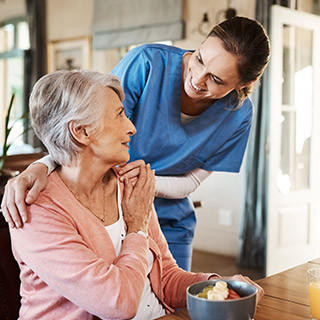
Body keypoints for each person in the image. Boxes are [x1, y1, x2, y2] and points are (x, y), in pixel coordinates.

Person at [2, 17, 270, 271]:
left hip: (168, 220)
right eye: (199, 59)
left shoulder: (238, 116)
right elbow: (85, 128)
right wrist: (42, 165)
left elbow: (191, 182)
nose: (197, 79)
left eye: (216, 79)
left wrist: (143, 188)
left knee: (171, 305)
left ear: (245, 83)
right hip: (104, 211)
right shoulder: (147, 64)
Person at [9, 70, 263, 319]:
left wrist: (217, 286)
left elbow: (165, 278)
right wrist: (137, 228)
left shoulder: (127, 185)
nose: (131, 128)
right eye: (119, 115)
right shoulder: (35, 210)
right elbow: (119, 304)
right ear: (82, 132)